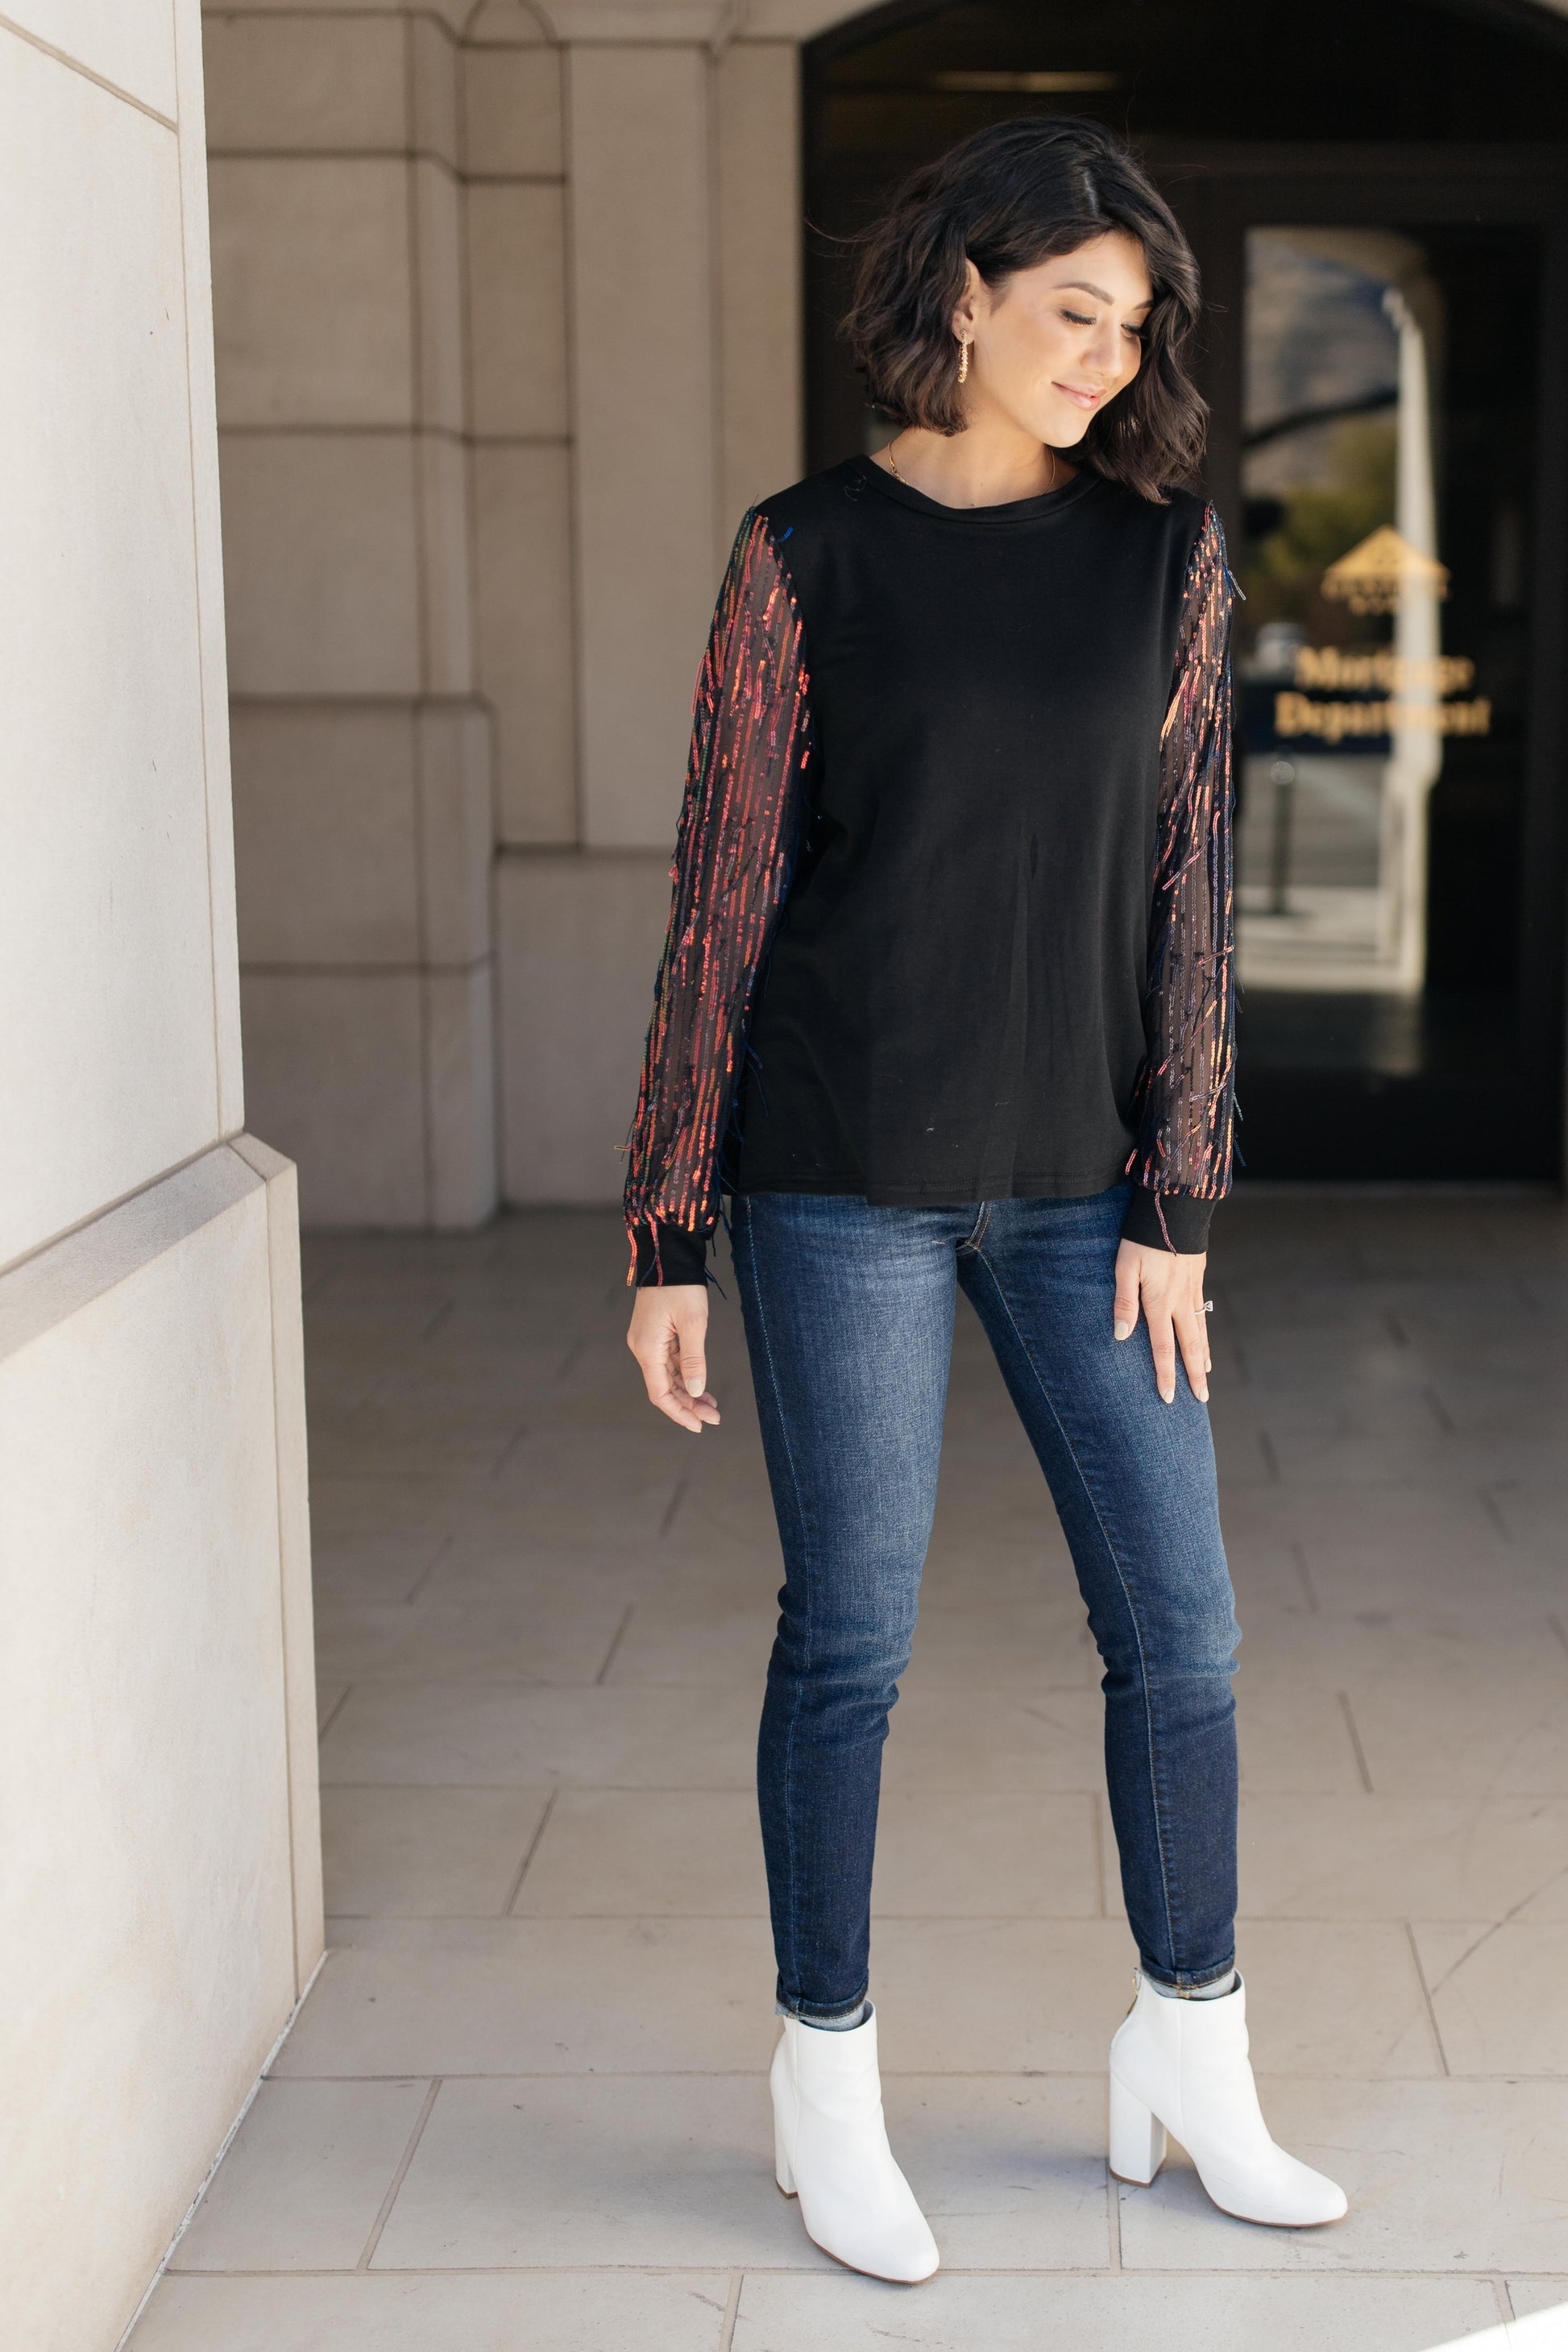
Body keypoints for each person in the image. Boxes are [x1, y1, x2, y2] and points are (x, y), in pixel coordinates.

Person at [622, 114, 1348, 2283]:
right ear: (963, 291)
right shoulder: (803, 556)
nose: (1107, 361)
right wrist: (669, 1228)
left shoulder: (1161, 557)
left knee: (1184, 1633)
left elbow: (1190, 885)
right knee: (851, 1639)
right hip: (836, 1175)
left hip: (1084, 1195)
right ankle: (824, 2082)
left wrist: (1180, 1197)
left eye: (1134, 328)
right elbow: (723, 895)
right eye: (1072, 313)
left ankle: (1190, 2053)